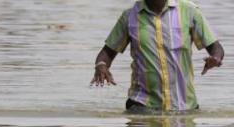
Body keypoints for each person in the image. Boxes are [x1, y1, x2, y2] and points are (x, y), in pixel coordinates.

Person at [90, 0, 225, 113]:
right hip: (141, 108)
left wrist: (216, 58)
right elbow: (107, 52)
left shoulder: (189, 12)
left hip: (184, 108)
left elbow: (215, 47)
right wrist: (101, 65)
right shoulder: (129, 16)